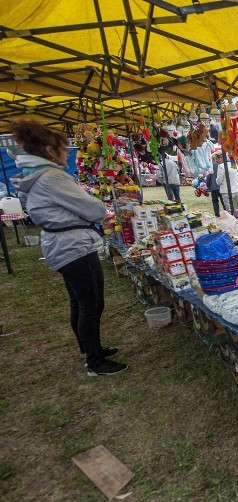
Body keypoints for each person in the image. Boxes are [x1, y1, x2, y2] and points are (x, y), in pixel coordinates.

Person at [11, 121, 128, 376]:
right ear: (50, 150)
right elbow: (94, 209)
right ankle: (95, 362)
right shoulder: (52, 178)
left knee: (79, 301)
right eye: (64, 149)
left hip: (62, 244)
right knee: (91, 304)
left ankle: (90, 348)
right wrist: (98, 207)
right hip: (73, 246)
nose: (68, 153)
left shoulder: (40, 176)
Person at [206, 151, 227, 216]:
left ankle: (217, 214)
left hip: (214, 187)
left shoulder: (211, 166)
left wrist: (208, 186)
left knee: (215, 202)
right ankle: (226, 213)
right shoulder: (223, 165)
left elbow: (208, 177)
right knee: (224, 201)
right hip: (221, 186)